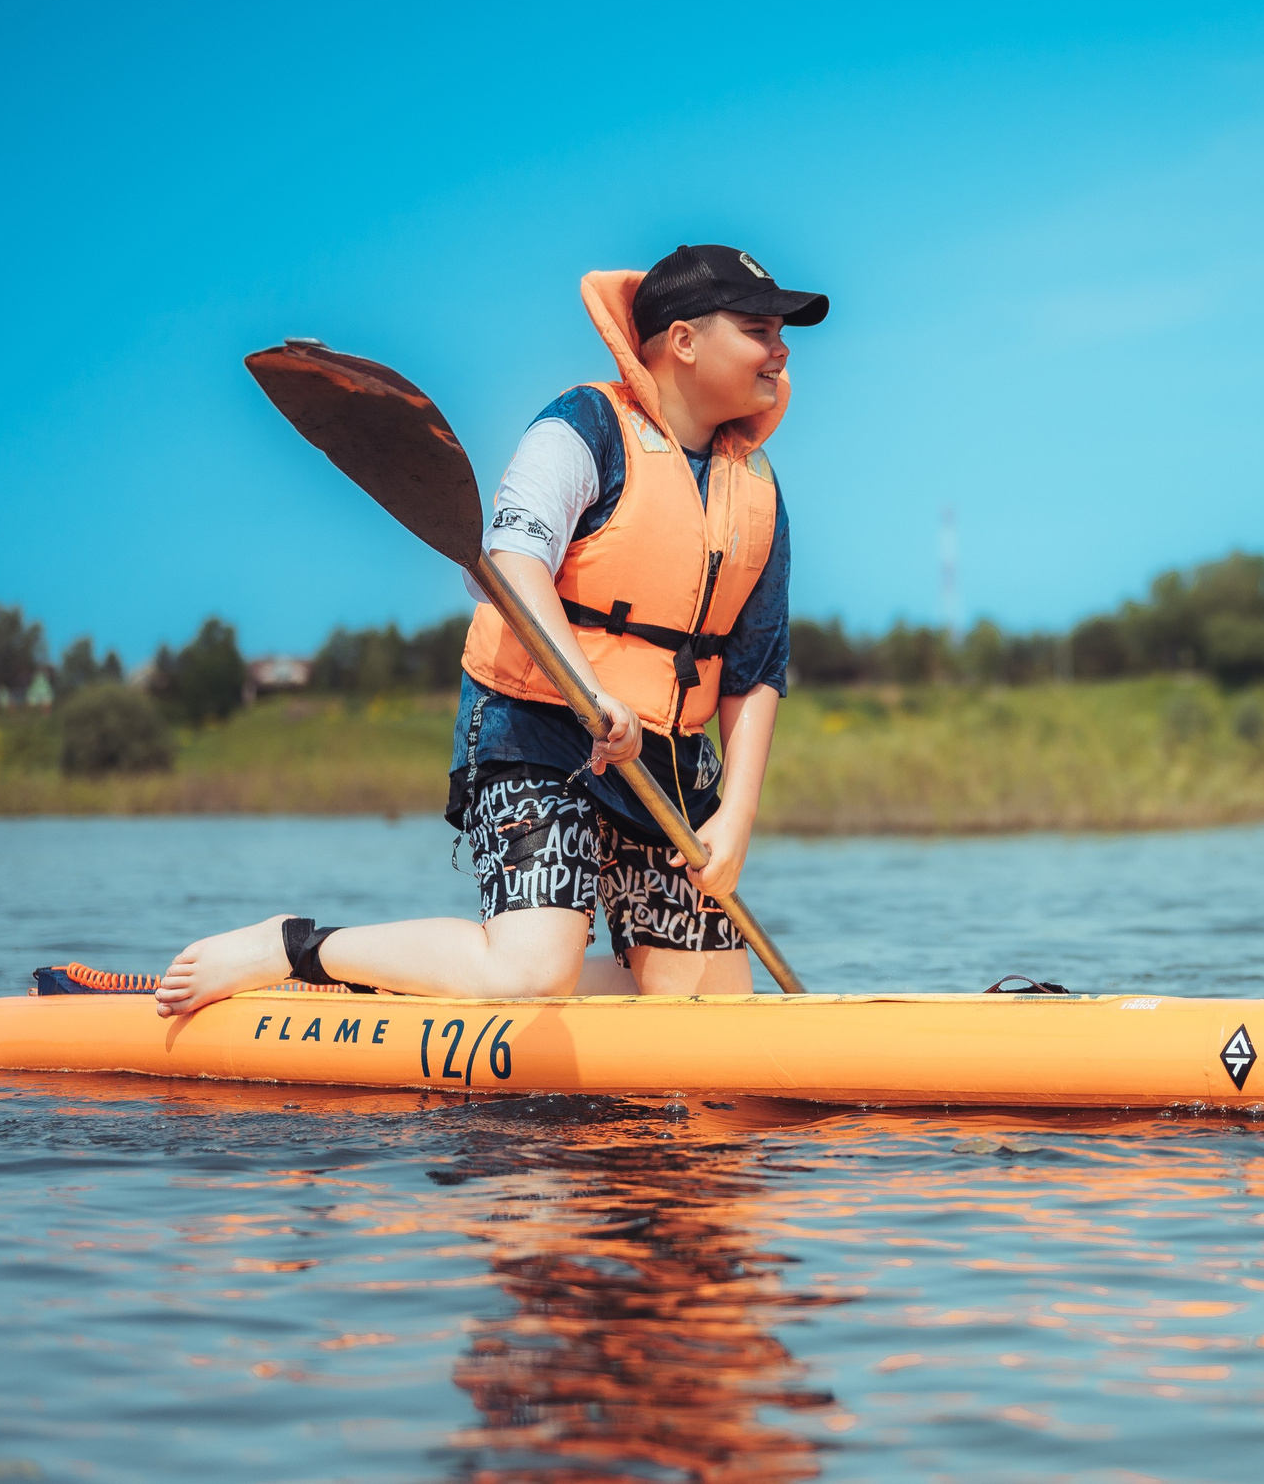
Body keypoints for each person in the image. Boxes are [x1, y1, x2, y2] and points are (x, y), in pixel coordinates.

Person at [156, 244, 824, 1015]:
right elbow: (510, 562)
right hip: (539, 729)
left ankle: (459, 982)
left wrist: (737, 816)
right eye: (758, 329)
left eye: (781, 332)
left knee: (706, 1007)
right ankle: (293, 946)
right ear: (683, 341)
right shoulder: (584, 426)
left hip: (665, 762)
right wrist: (591, 693)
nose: (780, 349)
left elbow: (755, 669)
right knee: (532, 971)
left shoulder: (756, 490)